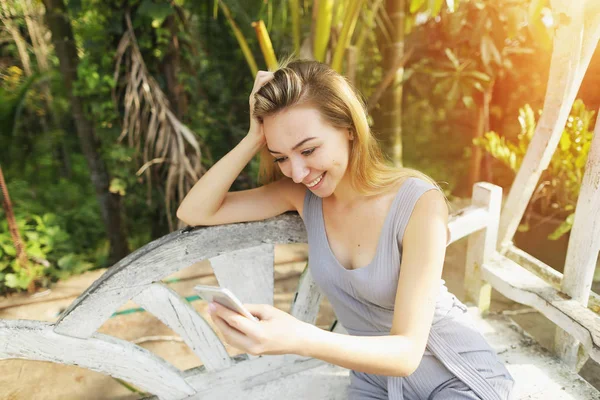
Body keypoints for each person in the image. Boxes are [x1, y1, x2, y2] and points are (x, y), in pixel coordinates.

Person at [176, 59, 515, 400]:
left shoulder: (419, 203)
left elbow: (408, 353)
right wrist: (254, 137)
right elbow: (194, 211)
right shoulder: (300, 196)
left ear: (349, 128)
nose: (296, 172)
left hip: (456, 376)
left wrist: (298, 338)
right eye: (280, 157)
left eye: (308, 150)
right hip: (373, 384)